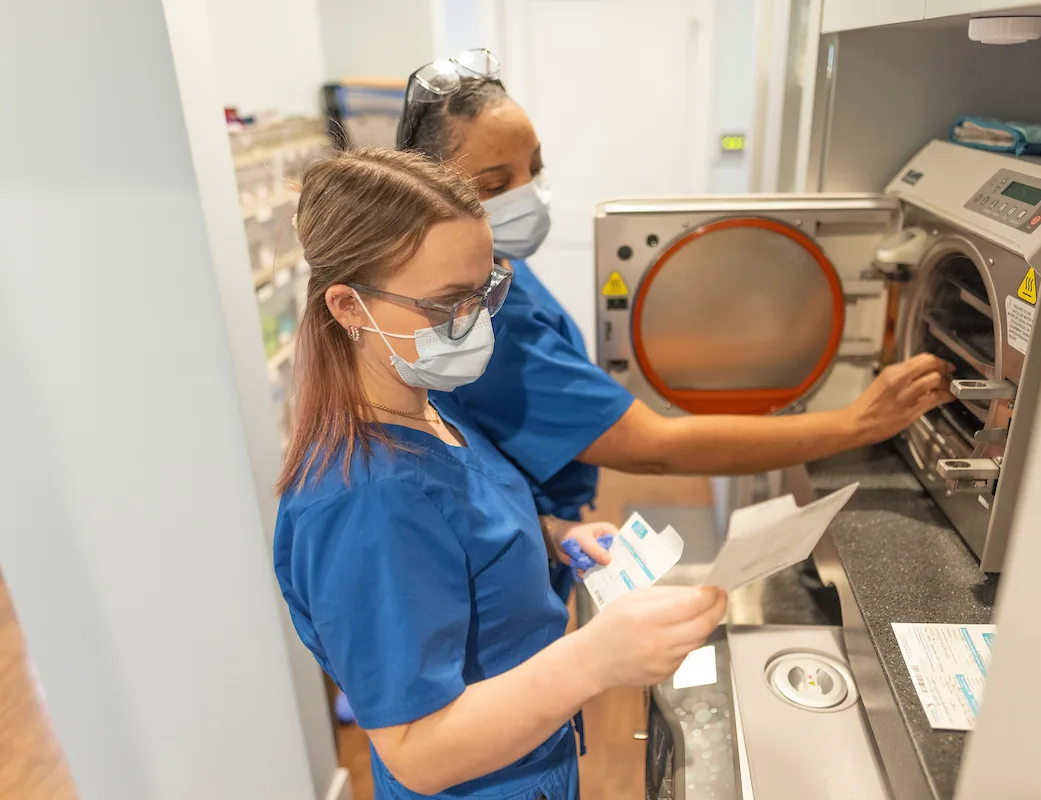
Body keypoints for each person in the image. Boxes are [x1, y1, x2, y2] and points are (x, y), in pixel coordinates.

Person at [397, 51, 955, 600]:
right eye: (496, 186)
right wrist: (857, 422)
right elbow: (654, 447)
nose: (530, 195)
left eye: (535, 169)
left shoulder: (497, 267)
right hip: (514, 559)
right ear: (427, 191)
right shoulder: (487, 319)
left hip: (544, 528)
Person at [274, 148, 727, 799]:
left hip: (530, 757)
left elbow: (458, 519)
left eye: (486, 291)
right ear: (348, 307)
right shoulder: (364, 501)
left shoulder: (424, 404)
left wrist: (550, 536)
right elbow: (418, 753)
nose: (477, 322)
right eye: (447, 303)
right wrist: (593, 660)